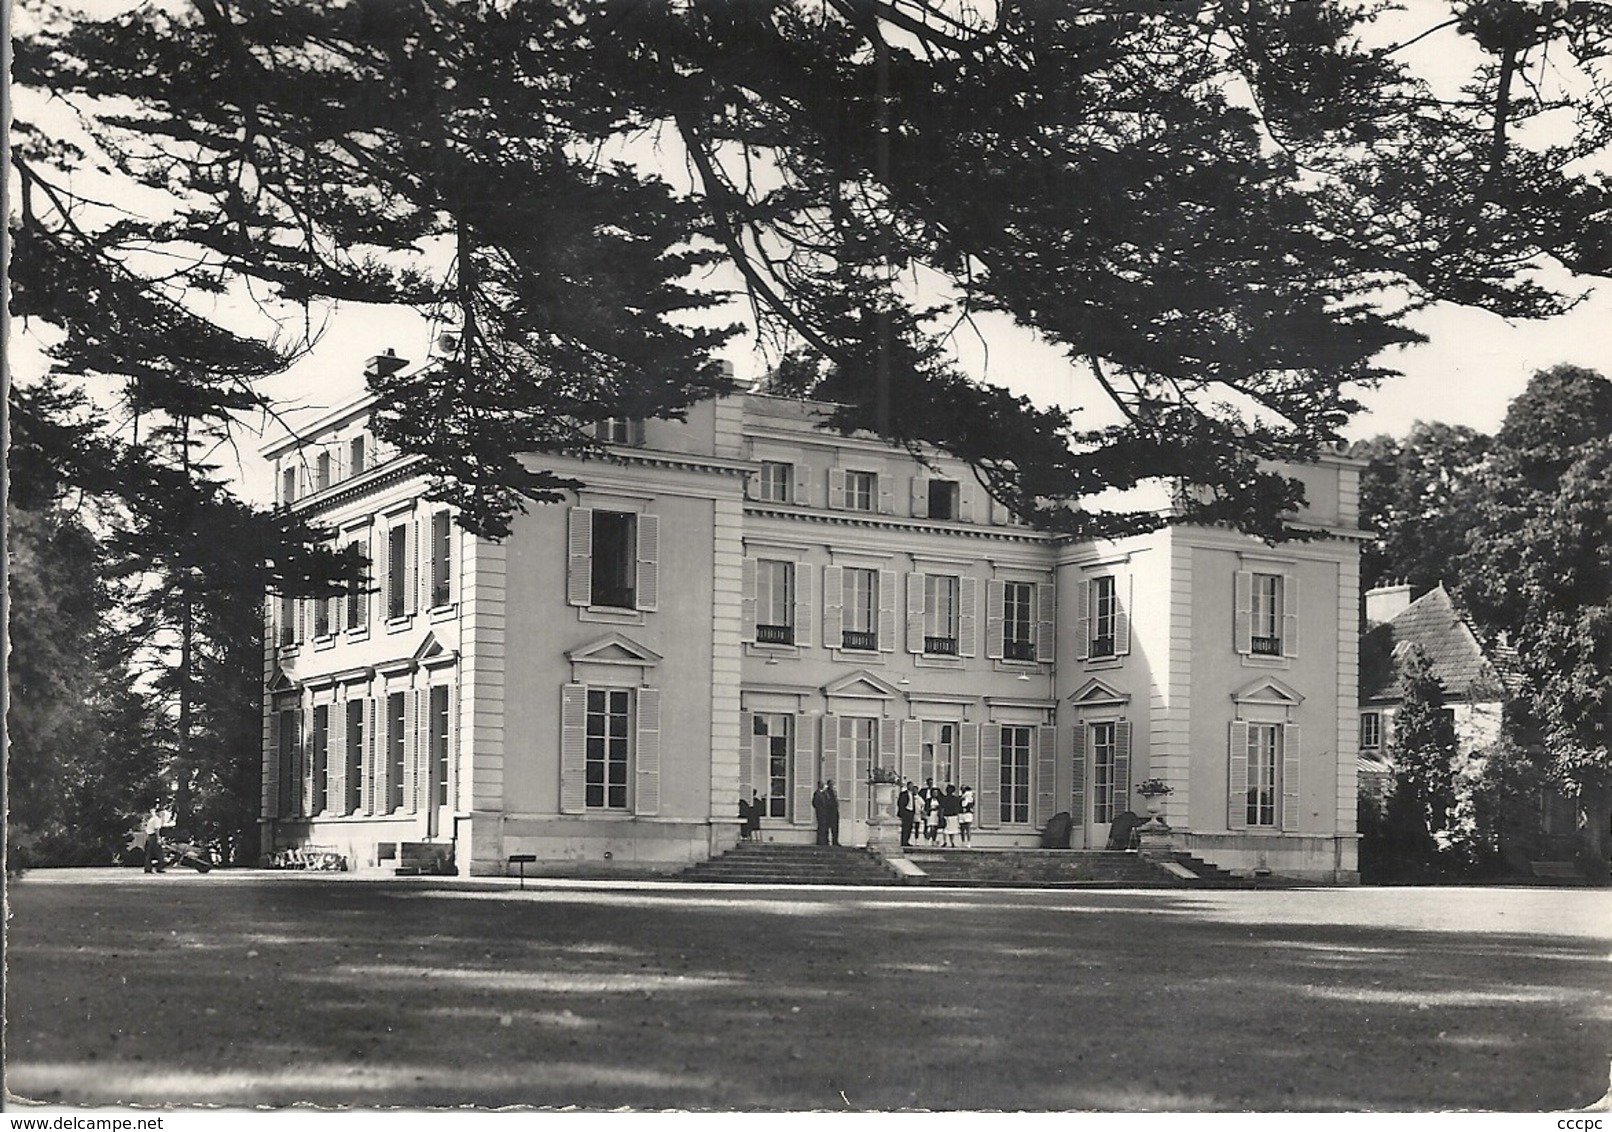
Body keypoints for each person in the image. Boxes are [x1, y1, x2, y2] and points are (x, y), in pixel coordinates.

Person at [142, 807, 167, 873]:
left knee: (149, 853)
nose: (163, 814)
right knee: (159, 853)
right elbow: (157, 829)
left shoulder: (153, 819)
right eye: (162, 813)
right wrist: (159, 838)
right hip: (153, 836)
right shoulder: (156, 819)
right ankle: (159, 867)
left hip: (149, 836)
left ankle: (148, 868)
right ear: (158, 813)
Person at [941, 783, 962, 848]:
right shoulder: (954, 799)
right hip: (950, 815)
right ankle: (949, 842)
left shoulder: (946, 798)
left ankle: (948, 842)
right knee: (949, 830)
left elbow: (942, 808)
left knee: (948, 830)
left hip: (950, 815)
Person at [897, 781, 917, 848]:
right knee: (905, 827)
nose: (911, 787)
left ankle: (907, 841)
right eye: (910, 785)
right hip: (906, 811)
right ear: (907, 786)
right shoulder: (903, 794)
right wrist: (903, 811)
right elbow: (900, 803)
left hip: (911, 812)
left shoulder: (913, 794)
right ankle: (903, 841)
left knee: (910, 827)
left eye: (912, 785)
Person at [824, 779, 841, 846]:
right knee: (827, 827)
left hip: (835, 812)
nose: (832, 786)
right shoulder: (826, 792)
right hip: (829, 813)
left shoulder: (834, 792)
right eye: (831, 784)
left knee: (835, 828)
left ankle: (835, 841)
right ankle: (826, 841)